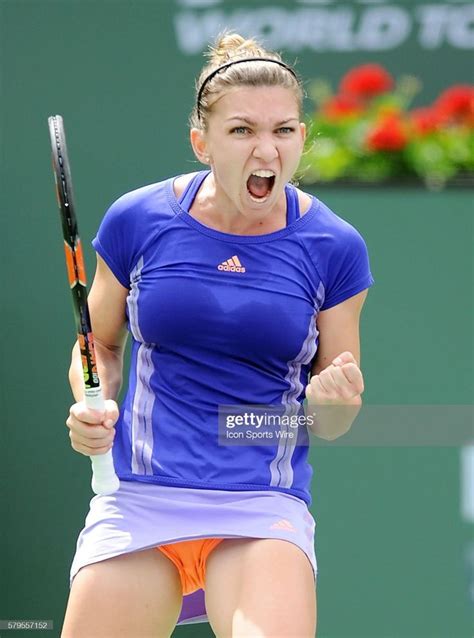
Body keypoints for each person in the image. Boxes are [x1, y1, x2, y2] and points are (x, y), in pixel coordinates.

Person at [61, 31, 374, 638]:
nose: (267, 149)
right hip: (140, 495)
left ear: (302, 138)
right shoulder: (138, 219)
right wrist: (90, 400)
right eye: (242, 131)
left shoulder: (335, 247)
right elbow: (97, 344)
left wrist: (328, 406)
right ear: (201, 142)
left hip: (260, 505)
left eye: (284, 130)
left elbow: (333, 421)